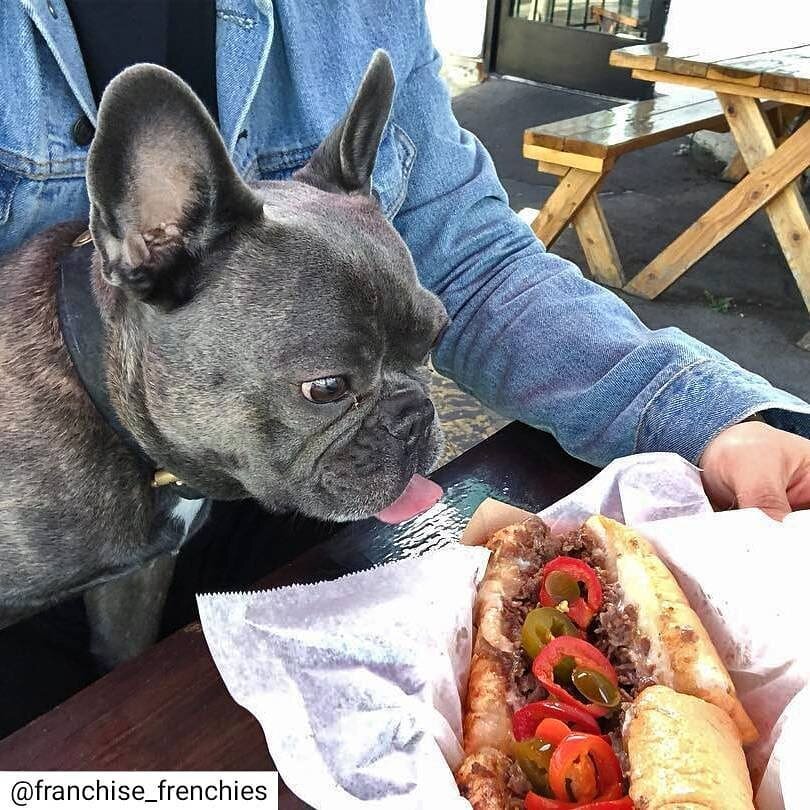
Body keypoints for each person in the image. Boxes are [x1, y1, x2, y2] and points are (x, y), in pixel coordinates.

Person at [0, 0, 809, 732]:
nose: (409, 416)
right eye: (331, 387)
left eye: (415, 353)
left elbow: (469, 256)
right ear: (148, 237)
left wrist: (712, 416)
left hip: (236, 488)